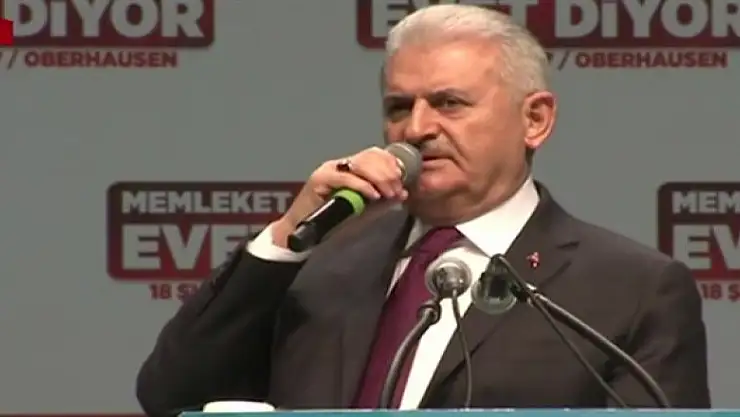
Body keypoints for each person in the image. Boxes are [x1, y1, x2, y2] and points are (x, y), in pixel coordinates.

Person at [135, 4, 710, 416]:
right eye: (398, 107)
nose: (415, 129)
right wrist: (287, 237)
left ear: (534, 120)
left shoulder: (632, 289)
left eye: (449, 103)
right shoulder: (322, 264)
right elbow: (171, 394)